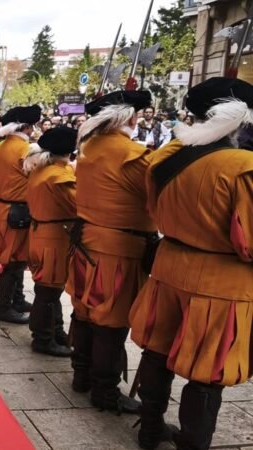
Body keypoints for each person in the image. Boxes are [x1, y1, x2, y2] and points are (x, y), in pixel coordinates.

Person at [128, 77, 253, 450]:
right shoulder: (243, 166)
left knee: (157, 350)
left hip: (169, 267)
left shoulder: (165, 156)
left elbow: (152, 210)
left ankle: (150, 427)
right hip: (221, 284)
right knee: (208, 373)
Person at [68, 90, 156, 414]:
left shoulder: (90, 146)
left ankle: (81, 374)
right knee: (111, 321)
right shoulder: (131, 153)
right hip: (118, 250)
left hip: (88, 242)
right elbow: (159, 198)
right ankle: (104, 390)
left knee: (86, 312)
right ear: (130, 118)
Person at [24, 127, 78, 357]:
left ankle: (54, 332)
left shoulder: (40, 170)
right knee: (48, 292)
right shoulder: (59, 176)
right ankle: (44, 338)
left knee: (47, 290)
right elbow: (81, 206)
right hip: (54, 237)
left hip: (41, 233)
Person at [0, 104, 42, 324]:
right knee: (14, 261)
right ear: (28, 128)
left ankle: (17, 300)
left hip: (5, 207)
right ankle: (4, 307)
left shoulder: (2, 146)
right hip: (18, 209)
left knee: (17, 258)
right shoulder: (25, 149)